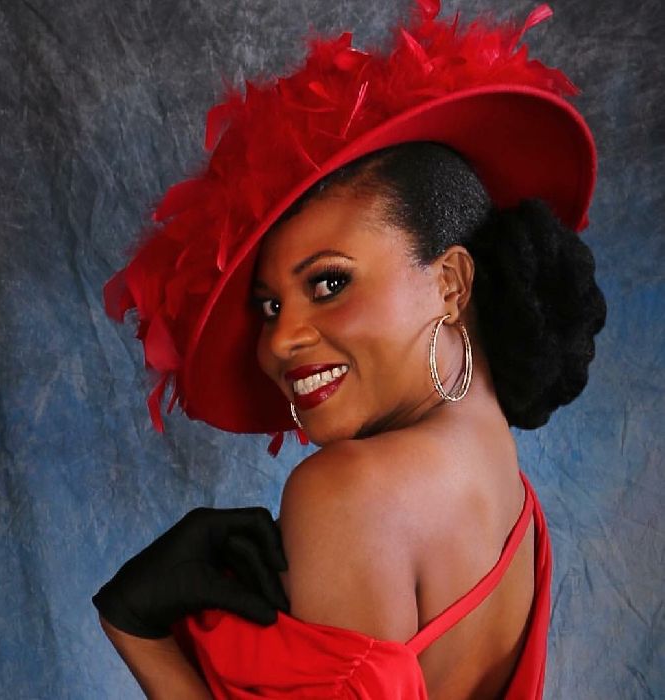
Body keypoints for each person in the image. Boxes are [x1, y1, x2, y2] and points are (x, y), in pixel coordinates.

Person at [92, 1, 606, 698]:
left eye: (329, 283)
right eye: (269, 307)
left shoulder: (347, 493)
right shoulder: (517, 505)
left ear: (452, 284)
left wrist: (138, 630)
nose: (280, 339)